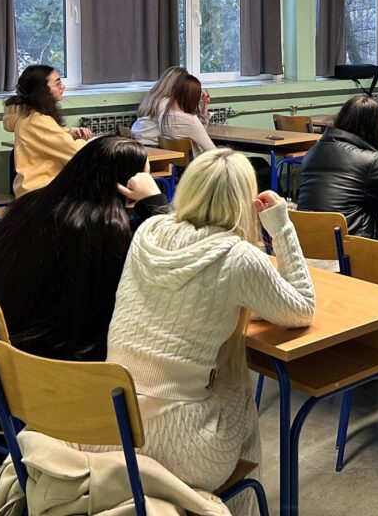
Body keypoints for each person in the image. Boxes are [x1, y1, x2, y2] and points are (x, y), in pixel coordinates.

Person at [0, 136, 168, 492]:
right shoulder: (105, 231)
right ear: (126, 189)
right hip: (24, 397)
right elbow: (169, 266)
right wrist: (155, 204)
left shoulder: (28, 206)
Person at [99, 150, 314, 515]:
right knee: (238, 385)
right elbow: (303, 307)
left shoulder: (147, 232)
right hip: (181, 448)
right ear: (244, 201)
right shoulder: (239, 257)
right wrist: (281, 226)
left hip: (108, 426)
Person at [297, 95, 378, 239]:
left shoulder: (312, 153)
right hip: (350, 247)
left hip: (310, 243)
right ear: (375, 127)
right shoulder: (370, 161)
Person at [4, 65, 92, 196]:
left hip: (31, 191)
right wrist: (94, 142)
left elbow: (48, 134)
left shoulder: (24, 116)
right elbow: (75, 152)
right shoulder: (38, 121)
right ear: (42, 90)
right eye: (57, 83)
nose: (63, 87)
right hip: (42, 193)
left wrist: (70, 132)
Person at [160, 73, 216, 156]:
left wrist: (204, 108)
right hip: (196, 162)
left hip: (176, 163)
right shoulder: (191, 121)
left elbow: (198, 133)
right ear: (192, 97)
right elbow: (213, 151)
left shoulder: (162, 116)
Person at [131, 66, 188, 145]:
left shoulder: (151, 99)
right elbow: (175, 133)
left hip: (139, 143)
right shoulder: (166, 104)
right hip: (152, 146)